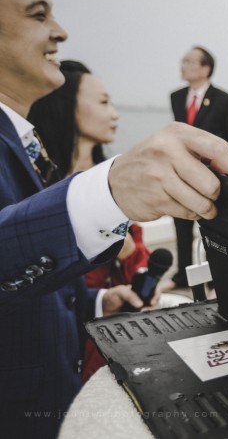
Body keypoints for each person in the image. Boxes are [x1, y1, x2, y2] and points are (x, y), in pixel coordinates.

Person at [0, 0, 228, 438]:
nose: (61, 32)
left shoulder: (23, 145)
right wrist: (110, 191)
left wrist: (98, 302)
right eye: (38, 15)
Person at [28, 60, 165, 382]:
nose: (114, 113)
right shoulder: (38, 187)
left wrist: (128, 250)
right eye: (103, 102)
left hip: (120, 336)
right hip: (63, 350)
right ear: (64, 105)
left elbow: (139, 261)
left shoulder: (117, 180)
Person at [170, 46, 228, 287]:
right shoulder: (177, 97)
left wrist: (223, 172)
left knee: (212, 227)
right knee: (181, 222)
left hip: (211, 176)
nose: (183, 65)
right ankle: (182, 274)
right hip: (182, 172)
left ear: (205, 68)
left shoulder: (225, 100)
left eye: (190, 62)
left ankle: (216, 279)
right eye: (183, 60)